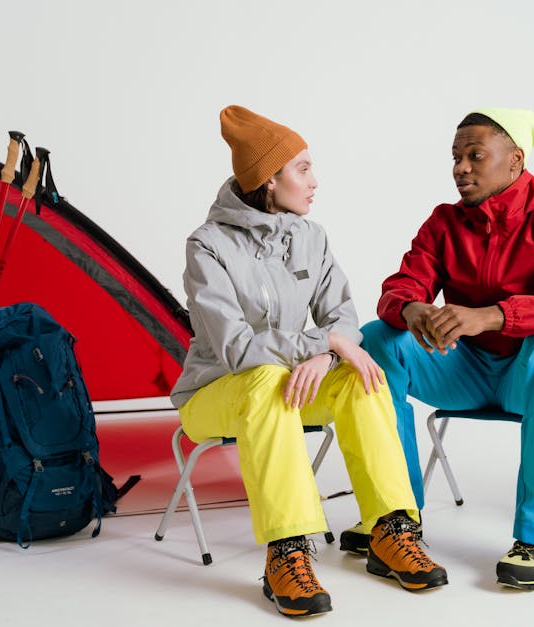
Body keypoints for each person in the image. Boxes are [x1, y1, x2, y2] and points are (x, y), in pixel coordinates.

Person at [169, 105, 448, 617]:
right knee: (267, 383)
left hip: (292, 387)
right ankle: (288, 552)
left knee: (365, 378)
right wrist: (324, 346)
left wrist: (328, 351)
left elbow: (342, 315)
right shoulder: (206, 246)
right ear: (269, 179)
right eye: (302, 169)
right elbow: (236, 348)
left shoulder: (310, 236)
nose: (314, 181)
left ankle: (390, 527)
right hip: (216, 392)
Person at [340, 108, 534, 591]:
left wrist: (491, 315)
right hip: (461, 368)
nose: (461, 167)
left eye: (475, 155)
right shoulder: (444, 223)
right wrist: (414, 309)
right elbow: (400, 286)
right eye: (456, 157)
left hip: (530, 376)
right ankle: (393, 516)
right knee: (379, 338)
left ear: (515, 160)